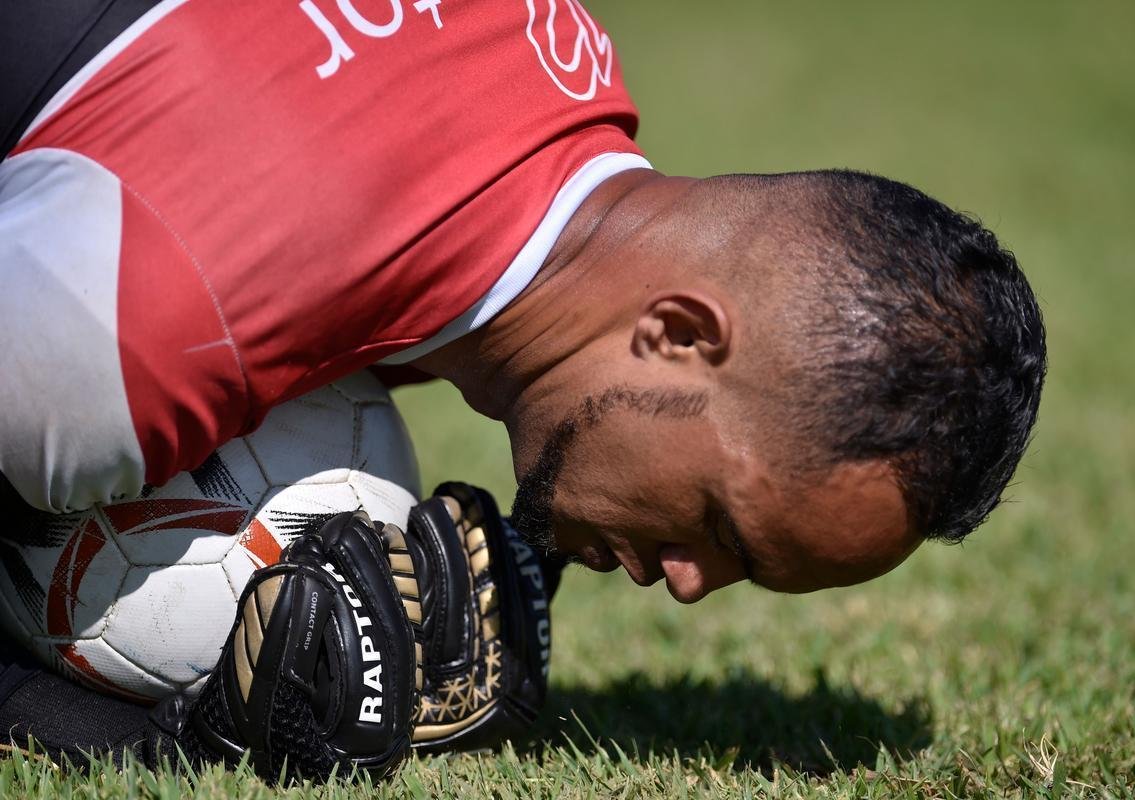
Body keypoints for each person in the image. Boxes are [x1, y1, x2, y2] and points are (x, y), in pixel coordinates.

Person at [0, 0, 1046, 776]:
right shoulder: (127, 341)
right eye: (722, 529)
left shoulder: (558, 49)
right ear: (678, 332)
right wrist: (131, 732)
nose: (685, 581)